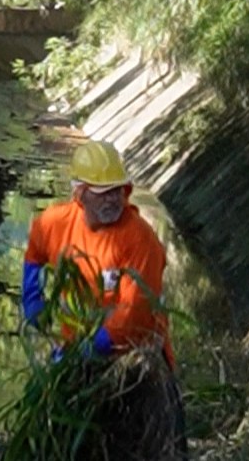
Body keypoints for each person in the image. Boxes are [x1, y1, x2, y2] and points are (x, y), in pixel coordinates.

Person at [21, 139, 175, 367]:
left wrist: (97, 344)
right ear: (80, 193)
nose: (113, 198)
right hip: (74, 349)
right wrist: (32, 298)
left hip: (134, 359)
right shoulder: (55, 223)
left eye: (117, 190)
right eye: (104, 192)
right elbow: (35, 252)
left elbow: (136, 309)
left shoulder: (141, 239)